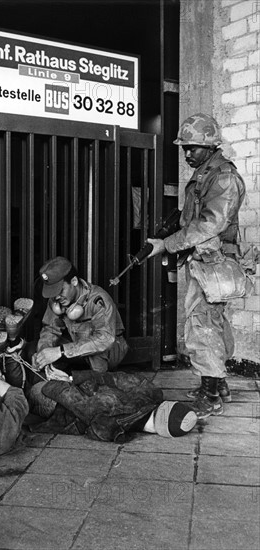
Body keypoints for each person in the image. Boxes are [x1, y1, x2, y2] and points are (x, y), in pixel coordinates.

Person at [146, 113, 246, 419]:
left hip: (213, 263)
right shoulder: (206, 173)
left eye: (193, 148)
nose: (187, 153)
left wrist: (169, 243)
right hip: (204, 262)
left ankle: (210, 394)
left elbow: (210, 224)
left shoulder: (223, 177)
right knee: (212, 323)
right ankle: (220, 384)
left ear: (211, 146)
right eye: (184, 148)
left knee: (201, 325)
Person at [28, 370, 197, 442]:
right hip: (62, 398)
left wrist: (71, 378)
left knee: (34, 387)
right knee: (34, 389)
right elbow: (75, 400)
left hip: (67, 395)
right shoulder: (114, 425)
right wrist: (54, 385)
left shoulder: (151, 391)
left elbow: (114, 377)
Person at [31, 256, 128, 377]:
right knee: (33, 349)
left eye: (60, 291)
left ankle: (99, 381)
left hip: (109, 348)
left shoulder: (98, 299)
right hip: (76, 345)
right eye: (53, 293)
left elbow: (105, 339)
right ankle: (62, 375)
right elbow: (50, 329)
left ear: (74, 281)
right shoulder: (57, 301)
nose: (56, 297)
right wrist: (43, 353)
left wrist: (61, 351)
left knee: (96, 354)